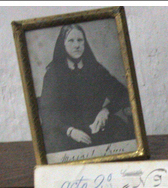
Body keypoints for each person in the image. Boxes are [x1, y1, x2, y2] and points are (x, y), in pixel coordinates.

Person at [39, 24, 134, 153]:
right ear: (63, 44)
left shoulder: (95, 69)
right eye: (71, 41)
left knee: (124, 135)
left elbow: (123, 94)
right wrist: (70, 131)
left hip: (97, 128)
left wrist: (105, 111)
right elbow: (48, 113)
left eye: (80, 40)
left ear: (84, 43)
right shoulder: (53, 74)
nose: (76, 45)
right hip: (67, 133)